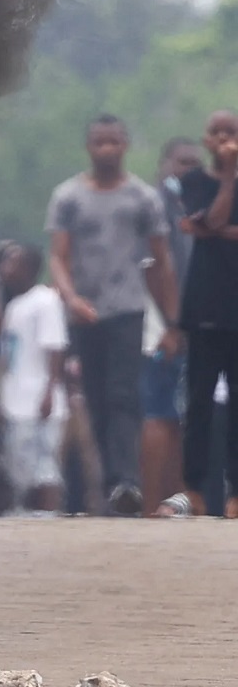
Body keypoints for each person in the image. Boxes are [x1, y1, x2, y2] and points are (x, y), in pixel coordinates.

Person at [46, 114, 180, 516]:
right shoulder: (68, 196)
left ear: (125, 145)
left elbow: (161, 262)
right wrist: (71, 298)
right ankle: (110, 485)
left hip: (127, 308)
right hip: (85, 312)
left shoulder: (142, 198)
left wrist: (172, 322)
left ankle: (127, 481)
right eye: (99, 142)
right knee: (99, 400)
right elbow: (58, 255)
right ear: (89, 147)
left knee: (124, 394)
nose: (107, 149)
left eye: (114, 142)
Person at [158, 110, 238, 518]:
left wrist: (210, 229)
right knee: (199, 404)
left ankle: (235, 495)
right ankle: (197, 490)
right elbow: (212, 217)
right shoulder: (194, 182)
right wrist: (227, 181)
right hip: (205, 305)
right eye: (217, 133)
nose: (224, 139)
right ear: (206, 140)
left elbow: (209, 226)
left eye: (231, 133)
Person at [139, 137, 203, 516]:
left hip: (189, 324)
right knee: (159, 412)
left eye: (195, 162)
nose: (188, 169)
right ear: (165, 164)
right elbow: (153, 270)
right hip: (160, 325)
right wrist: (172, 324)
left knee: (181, 415)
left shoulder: (194, 206)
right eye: (182, 162)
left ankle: (176, 499)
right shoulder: (155, 204)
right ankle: (151, 503)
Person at [0, 244, 69, 515]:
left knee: (45, 464)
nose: (5, 269)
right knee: (18, 463)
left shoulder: (45, 301)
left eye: (11, 263)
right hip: (17, 398)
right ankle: (22, 512)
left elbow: (55, 347)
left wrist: (50, 390)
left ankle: (49, 513)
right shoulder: (15, 305)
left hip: (40, 398)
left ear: (28, 268)